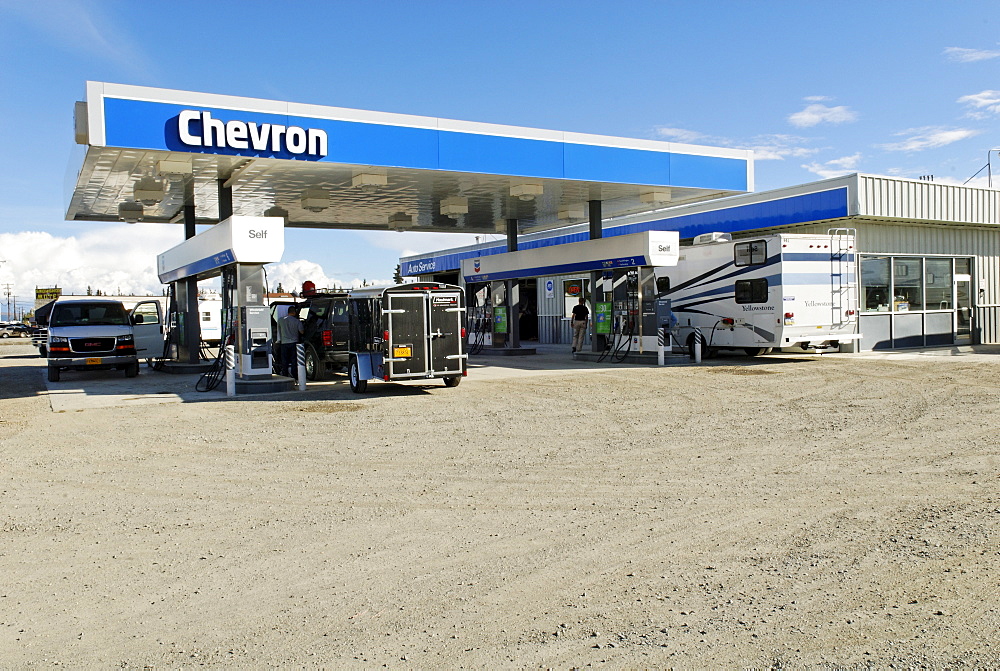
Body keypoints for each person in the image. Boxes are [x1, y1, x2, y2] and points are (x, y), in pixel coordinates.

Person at [276, 305, 304, 377]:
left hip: (284, 343)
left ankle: (285, 374)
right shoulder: (297, 321)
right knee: (294, 359)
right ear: (294, 312)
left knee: (284, 360)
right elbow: (302, 332)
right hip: (294, 343)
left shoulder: (280, 320)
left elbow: (278, 331)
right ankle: (294, 374)